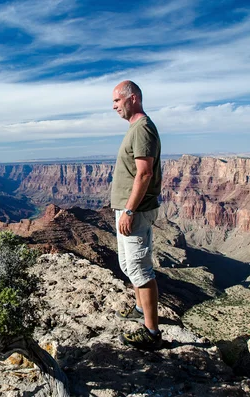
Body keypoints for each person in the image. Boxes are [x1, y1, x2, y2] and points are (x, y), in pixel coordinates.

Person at [110, 80, 162, 350]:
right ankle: (142, 310)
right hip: (129, 208)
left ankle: (152, 332)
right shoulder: (136, 128)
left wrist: (129, 210)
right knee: (128, 265)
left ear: (132, 99)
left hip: (136, 210)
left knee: (141, 269)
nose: (114, 106)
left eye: (117, 101)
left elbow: (144, 173)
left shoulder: (142, 129)